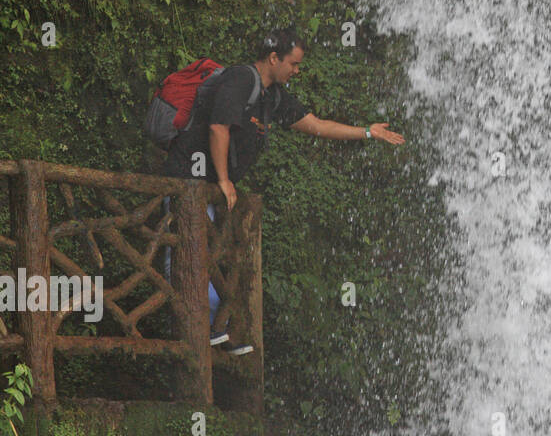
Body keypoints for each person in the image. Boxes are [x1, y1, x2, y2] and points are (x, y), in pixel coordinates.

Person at [162, 28, 405, 354]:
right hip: (187, 181)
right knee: (186, 252)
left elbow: (316, 125)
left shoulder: (271, 96)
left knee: (208, 255)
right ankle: (195, 332)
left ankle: (213, 332)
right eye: (293, 63)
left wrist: (367, 132)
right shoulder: (240, 79)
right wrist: (222, 178)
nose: (297, 70)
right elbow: (218, 126)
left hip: (209, 191)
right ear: (274, 58)